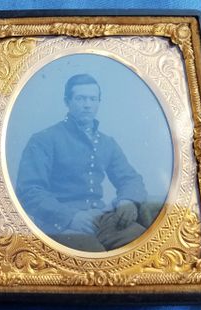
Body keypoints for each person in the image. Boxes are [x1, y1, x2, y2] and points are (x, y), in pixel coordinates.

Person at [16, 74, 149, 252]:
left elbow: (130, 179)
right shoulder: (44, 139)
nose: (87, 105)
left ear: (98, 102)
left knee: (141, 244)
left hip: (100, 219)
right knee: (95, 257)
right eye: (80, 98)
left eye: (93, 99)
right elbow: (30, 191)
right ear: (67, 102)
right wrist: (70, 216)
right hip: (59, 224)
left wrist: (128, 200)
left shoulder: (106, 142)